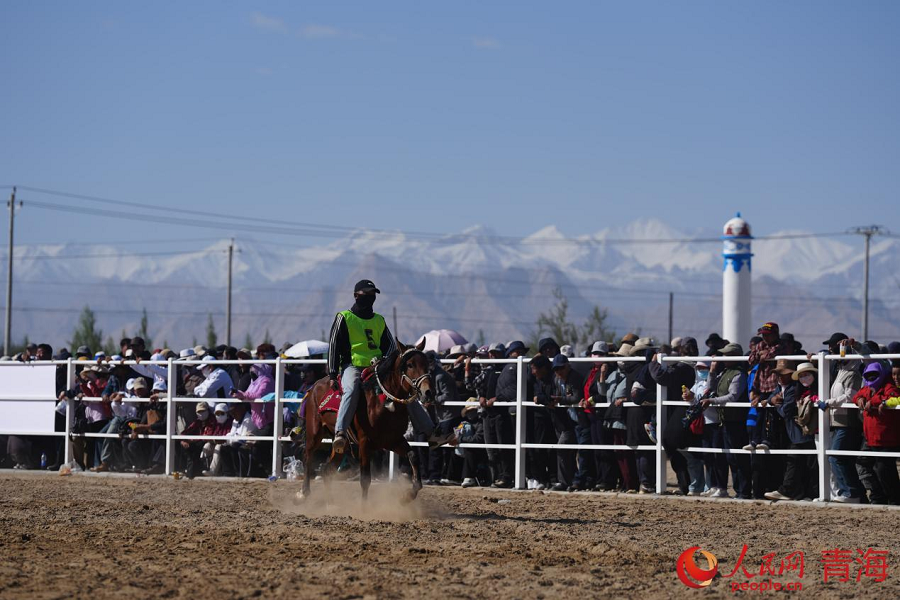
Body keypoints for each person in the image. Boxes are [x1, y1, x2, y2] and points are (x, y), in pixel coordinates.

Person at [327, 279, 397, 452]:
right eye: (366, 294)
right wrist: (332, 373)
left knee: (403, 388)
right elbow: (334, 346)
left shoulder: (379, 320)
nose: (371, 297)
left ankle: (431, 430)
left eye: (373, 294)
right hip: (353, 366)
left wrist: (386, 362)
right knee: (350, 390)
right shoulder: (344, 317)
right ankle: (340, 432)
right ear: (356, 296)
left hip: (377, 368)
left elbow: (390, 346)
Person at [816, 333, 867, 503]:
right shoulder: (841, 370)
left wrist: (829, 403)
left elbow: (849, 396)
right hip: (838, 421)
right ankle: (855, 493)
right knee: (842, 458)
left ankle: (851, 492)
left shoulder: (852, 372)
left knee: (836, 456)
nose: (833, 351)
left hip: (847, 422)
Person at [765, 362, 819, 501]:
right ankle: (795, 491)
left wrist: (776, 404)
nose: (780, 377)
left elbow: (785, 411)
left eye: (782, 374)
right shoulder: (785, 388)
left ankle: (799, 492)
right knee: (799, 462)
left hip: (805, 432)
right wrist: (771, 399)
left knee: (806, 464)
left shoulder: (793, 389)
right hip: (798, 433)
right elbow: (771, 398)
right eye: (778, 374)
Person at [852, 362, 900, 505]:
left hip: (886, 437)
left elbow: (894, 397)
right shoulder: (867, 388)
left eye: (875, 375)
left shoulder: (888, 387)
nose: (872, 378)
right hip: (872, 437)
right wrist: (860, 399)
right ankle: (879, 496)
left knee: (885, 470)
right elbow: (856, 396)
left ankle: (893, 499)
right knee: (866, 465)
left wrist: (873, 401)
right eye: (869, 375)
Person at [548, 354, 585, 491]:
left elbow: (577, 397)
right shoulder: (557, 380)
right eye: (556, 369)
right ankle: (566, 481)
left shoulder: (575, 378)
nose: (559, 371)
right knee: (564, 448)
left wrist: (560, 400)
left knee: (582, 452)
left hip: (580, 420)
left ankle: (578, 481)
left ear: (568, 366)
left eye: (561, 368)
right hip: (568, 421)